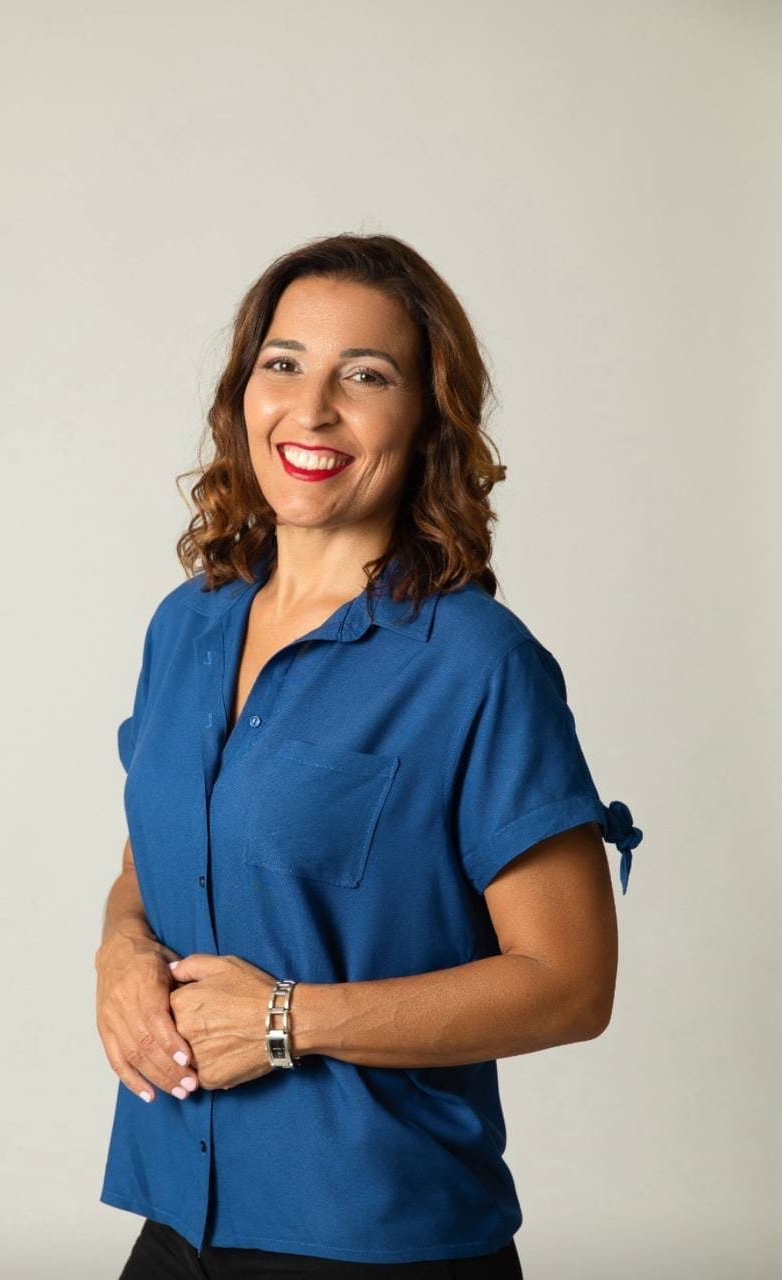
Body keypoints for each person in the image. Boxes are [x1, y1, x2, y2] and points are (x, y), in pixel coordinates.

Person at [95, 233, 644, 1279]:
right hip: (176, 1219)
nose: (311, 409)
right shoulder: (186, 624)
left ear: (427, 418)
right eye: (284, 363)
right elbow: (157, 852)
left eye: (366, 376)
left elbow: (570, 981)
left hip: (376, 1240)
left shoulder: (475, 662)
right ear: (242, 394)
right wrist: (118, 951)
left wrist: (286, 1021)